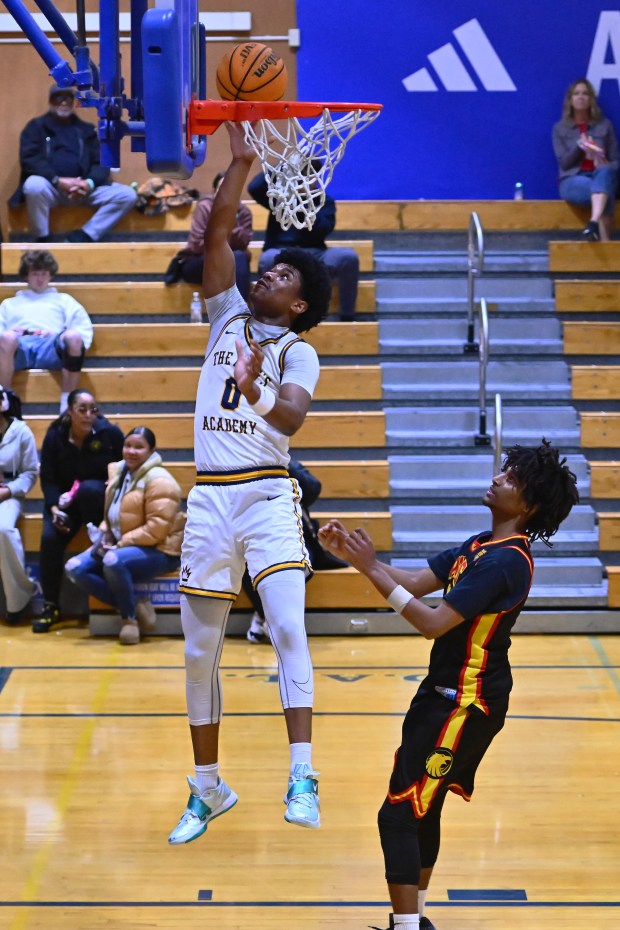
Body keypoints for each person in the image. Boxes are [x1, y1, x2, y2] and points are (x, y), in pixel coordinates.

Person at [319, 440, 579, 930]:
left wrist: (373, 568)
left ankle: (406, 926)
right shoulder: (480, 545)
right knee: (423, 807)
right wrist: (357, 560)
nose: (500, 478)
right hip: (442, 693)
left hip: (466, 704)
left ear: (529, 505)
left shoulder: (506, 562)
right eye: (505, 471)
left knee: (398, 812)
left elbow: (433, 623)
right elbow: (416, 583)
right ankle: (414, 919)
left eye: (513, 479)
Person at [167, 121, 332, 846]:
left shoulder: (299, 351)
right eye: (266, 268)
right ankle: (207, 788)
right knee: (199, 651)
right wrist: (236, 165)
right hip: (209, 495)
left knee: (289, 625)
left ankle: (302, 774)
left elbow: (291, 419)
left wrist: (254, 388)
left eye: (283, 275)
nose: (266, 273)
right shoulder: (227, 313)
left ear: (298, 303)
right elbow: (216, 243)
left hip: (267, 493)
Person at [66, 427, 185, 645]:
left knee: (112, 561)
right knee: (74, 568)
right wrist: (106, 532)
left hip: (160, 550)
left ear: (151, 451)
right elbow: (112, 513)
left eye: (139, 447)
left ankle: (128, 620)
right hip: (122, 544)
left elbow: (156, 529)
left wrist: (120, 543)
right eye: (128, 445)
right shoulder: (121, 473)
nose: (131, 451)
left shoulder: (161, 481)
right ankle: (135, 605)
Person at [33, 389, 124, 633]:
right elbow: (48, 477)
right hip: (65, 505)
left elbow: (126, 468)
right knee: (49, 538)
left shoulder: (109, 433)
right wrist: (54, 508)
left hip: (99, 502)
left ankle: (112, 594)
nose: (88, 414)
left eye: (92, 409)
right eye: (81, 409)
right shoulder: (55, 435)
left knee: (88, 490)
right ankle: (51, 605)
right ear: (70, 411)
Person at [9, 83, 137, 243]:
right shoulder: (35, 127)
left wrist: (88, 183)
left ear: (74, 102)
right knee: (33, 185)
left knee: (127, 194)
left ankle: (84, 236)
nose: (63, 103)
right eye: (58, 98)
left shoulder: (86, 130)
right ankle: (42, 238)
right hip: (51, 189)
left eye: (68, 98)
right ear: (50, 101)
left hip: (83, 190)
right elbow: (30, 160)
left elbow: (102, 162)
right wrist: (58, 181)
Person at [244, 458, 347, 644]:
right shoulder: (238, 466)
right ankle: (266, 616)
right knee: (248, 563)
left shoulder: (283, 458)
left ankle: (268, 618)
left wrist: (284, 464)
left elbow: (312, 490)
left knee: (297, 564)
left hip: (295, 536)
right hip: (254, 535)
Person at [248, 168, 359, 321]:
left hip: (314, 254)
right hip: (283, 254)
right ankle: (264, 315)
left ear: (318, 179)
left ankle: (347, 316)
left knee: (348, 257)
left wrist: (302, 205)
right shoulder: (281, 197)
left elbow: (322, 229)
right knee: (268, 258)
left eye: (310, 176)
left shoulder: (324, 201)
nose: (304, 180)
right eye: (300, 175)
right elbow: (254, 187)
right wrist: (283, 166)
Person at [0, 250, 94, 412]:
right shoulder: (9, 304)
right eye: (35, 274)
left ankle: (68, 401)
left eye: (44, 273)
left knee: (73, 336)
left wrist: (62, 334)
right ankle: (4, 398)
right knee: (6, 337)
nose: (40, 279)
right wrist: (12, 332)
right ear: (26, 276)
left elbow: (83, 329)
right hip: (20, 348)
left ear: (51, 276)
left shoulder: (64, 300)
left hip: (51, 347)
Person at [164, 172, 253, 299]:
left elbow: (244, 242)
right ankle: (238, 312)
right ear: (215, 191)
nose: (227, 193)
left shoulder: (243, 212)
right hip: (198, 261)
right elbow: (196, 245)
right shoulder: (205, 207)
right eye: (222, 189)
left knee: (239, 257)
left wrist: (230, 220)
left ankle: (239, 314)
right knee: (234, 257)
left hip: (229, 263)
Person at [552, 78, 619, 242]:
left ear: (591, 100)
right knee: (605, 190)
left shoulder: (605, 125)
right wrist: (579, 146)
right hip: (572, 180)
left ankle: (593, 223)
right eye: (576, 94)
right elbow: (564, 163)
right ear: (570, 100)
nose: (581, 97)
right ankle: (605, 240)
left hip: (600, 174)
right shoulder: (559, 129)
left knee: (606, 174)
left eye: (585, 93)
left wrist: (602, 162)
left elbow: (616, 161)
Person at [0, 386, 39, 623]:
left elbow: (30, 472)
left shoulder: (21, 432)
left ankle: (18, 600)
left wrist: (7, 491)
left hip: (9, 493)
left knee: (3, 529)